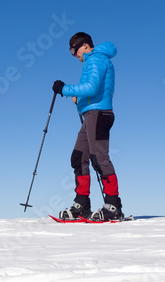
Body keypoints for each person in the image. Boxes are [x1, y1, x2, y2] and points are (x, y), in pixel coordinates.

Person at [52, 32, 124, 221]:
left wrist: (65, 89)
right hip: (91, 114)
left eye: (74, 49)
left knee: (99, 158)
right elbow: (92, 90)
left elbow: (91, 88)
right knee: (79, 157)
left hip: (99, 114)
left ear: (84, 45)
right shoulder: (92, 62)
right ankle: (82, 204)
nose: (74, 54)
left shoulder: (96, 60)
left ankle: (113, 206)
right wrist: (79, 99)